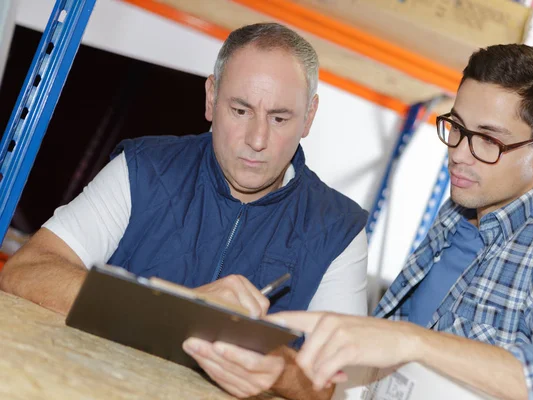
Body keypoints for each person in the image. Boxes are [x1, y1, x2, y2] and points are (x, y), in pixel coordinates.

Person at [183, 44, 533, 400]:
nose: (458, 153)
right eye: (456, 127)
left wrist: (414, 343)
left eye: (488, 139)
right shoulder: (459, 211)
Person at [0, 21, 368, 363]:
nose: (257, 140)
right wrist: (174, 310)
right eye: (240, 110)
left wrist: (264, 358)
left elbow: (335, 382)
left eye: (280, 118)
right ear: (211, 98)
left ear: (309, 116)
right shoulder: (144, 168)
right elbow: (27, 271)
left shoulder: (339, 229)